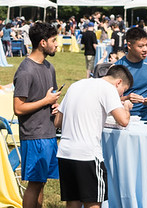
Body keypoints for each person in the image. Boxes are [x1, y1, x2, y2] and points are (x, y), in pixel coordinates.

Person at [55, 64, 133, 208]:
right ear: (119, 83)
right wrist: (126, 107)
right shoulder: (109, 89)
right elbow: (123, 121)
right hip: (88, 155)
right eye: (123, 91)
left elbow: (57, 121)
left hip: (65, 152)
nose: (121, 95)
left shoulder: (76, 84)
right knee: (93, 202)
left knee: (73, 201)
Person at [13, 21, 61, 208]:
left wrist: (54, 105)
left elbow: (50, 97)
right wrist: (46, 101)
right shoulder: (26, 71)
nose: (57, 44)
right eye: (53, 40)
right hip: (34, 135)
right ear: (42, 43)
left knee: (41, 182)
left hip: (48, 133)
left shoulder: (50, 67)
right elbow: (18, 108)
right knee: (34, 183)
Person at [115, 27, 147, 120]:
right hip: (121, 117)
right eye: (140, 46)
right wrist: (126, 98)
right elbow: (107, 98)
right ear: (129, 46)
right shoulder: (117, 68)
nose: (145, 49)